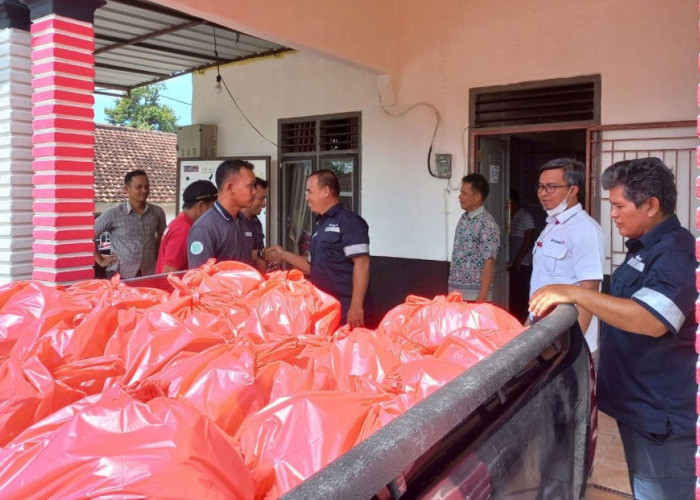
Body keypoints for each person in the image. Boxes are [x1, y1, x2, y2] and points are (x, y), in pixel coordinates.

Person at [530, 157, 697, 499]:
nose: (614, 214)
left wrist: (576, 293)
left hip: (659, 414)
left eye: (620, 206)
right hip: (637, 405)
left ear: (651, 205)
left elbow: (650, 319)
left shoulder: (675, 253)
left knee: (659, 489)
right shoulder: (643, 249)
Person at [265, 169, 373, 328]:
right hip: (325, 309)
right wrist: (283, 254)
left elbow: (362, 263)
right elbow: (310, 267)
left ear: (325, 191)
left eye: (309, 192)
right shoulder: (320, 226)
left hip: (348, 310)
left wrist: (356, 306)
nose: (306, 197)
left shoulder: (349, 221)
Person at [530, 158, 605, 353]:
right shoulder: (551, 225)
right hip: (542, 333)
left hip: (568, 340)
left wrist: (571, 351)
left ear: (573, 190)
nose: (543, 193)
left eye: (551, 187)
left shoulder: (585, 229)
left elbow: (590, 293)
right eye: (540, 187)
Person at [94, 169, 166, 279]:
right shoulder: (113, 214)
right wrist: (100, 260)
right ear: (126, 189)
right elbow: (88, 236)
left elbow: (162, 236)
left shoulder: (157, 212)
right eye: (139, 187)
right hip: (120, 274)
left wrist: (155, 255)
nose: (144, 190)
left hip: (149, 272)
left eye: (147, 187)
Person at [187, 159, 256, 269]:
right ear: (230, 188)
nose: (254, 192)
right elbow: (200, 278)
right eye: (250, 186)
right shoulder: (204, 228)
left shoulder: (245, 223)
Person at [448, 173, 500, 302]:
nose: (460, 197)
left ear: (477, 196)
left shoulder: (487, 223)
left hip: (474, 297)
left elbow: (490, 260)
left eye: (464, 193)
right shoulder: (464, 218)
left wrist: (481, 298)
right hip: (456, 294)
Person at [155, 180, 217, 273]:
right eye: (214, 207)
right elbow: (169, 273)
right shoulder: (184, 231)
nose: (215, 213)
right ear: (200, 206)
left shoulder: (180, 223)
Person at [507, 189, 535, 322]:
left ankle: (522, 320)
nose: (508, 207)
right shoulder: (509, 216)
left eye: (510, 204)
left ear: (515, 203)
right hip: (511, 263)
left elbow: (529, 239)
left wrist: (519, 259)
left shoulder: (525, 217)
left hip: (522, 264)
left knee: (521, 294)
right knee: (512, 293)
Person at [240, 177, 268, 273]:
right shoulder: (233, 221)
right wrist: (262, 253)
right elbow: (234, 256)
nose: (264, 204)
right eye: (261, 199)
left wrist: (264, 281)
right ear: (250, 196)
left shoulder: (256, 223)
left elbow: (261, 256)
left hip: (255, 280)